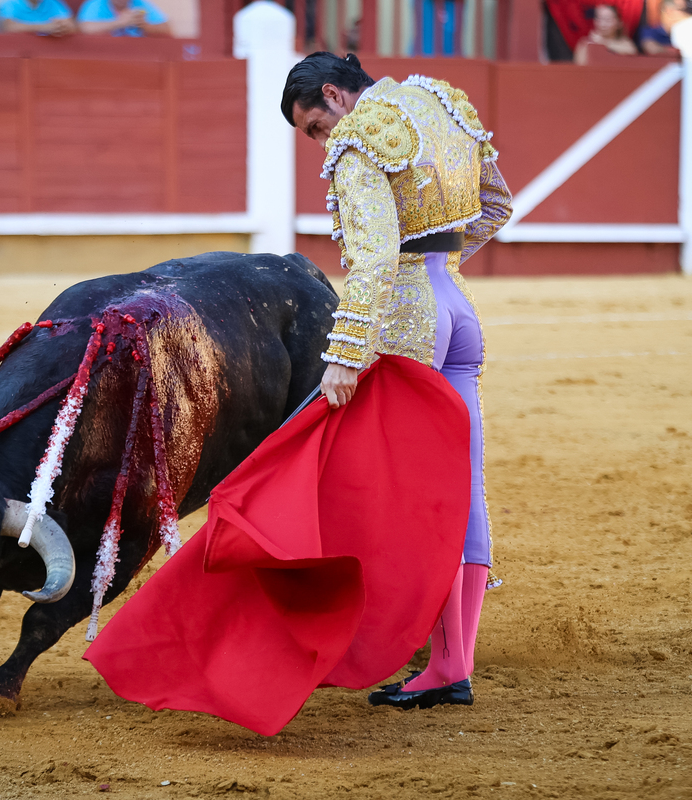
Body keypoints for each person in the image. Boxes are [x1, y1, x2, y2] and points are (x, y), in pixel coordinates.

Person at [84, 53, 510, 735]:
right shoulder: (445, 103)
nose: (319, 140)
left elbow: (372, 260)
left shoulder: (358, 137)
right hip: (458, 308)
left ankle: (429, 660)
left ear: (336, 97)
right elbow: (495, 205)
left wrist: (345, 355)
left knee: (382, 487)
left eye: (314, 125)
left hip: (405, 322)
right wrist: (438, 262)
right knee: (463, 481)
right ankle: (450, 662)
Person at [574, 3, 640, 63]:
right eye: (599, 19)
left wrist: (604, 42)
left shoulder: (624, 42)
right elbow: (580, 66)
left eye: (608, 20)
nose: (603, 24)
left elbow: (632, 52)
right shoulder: (585, 43)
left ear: (618, 23)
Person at [77, 0, 170, 37]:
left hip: (137, 57)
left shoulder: (140, 3)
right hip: (104, 56)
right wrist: (120, 22)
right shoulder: (97, 4)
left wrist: (145, 26)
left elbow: (167, 29)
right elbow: (83, 28)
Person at [0, 0, 76, 36]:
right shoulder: (11, 3)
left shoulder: (53, 2)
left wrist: (62, 27)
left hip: (51, 49)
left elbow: (72, 26)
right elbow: (9, 27)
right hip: (22, 49)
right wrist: (44, 27)